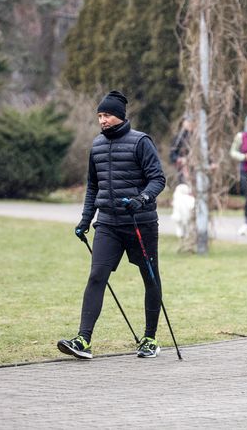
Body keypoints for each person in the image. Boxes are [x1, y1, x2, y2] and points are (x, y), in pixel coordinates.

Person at [58, 90, 166, 359]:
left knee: (149, 277)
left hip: (140, 223)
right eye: (99, 116)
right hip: (107, 224)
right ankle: (83, 340)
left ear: (119, 115)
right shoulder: (96, 145)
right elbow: (93, 186)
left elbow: (158, 180)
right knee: (96, 277)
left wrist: (141, 199)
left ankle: (149, 339)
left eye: (106, 115)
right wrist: (85, 220)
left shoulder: (141, 142)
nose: (102, 120)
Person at [169, 117, 192, 184]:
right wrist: (181, 159)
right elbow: (172, 155)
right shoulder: (179, 137)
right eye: (187, 122)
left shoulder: (199, 136)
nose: (189, 123)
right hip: (184, 169)